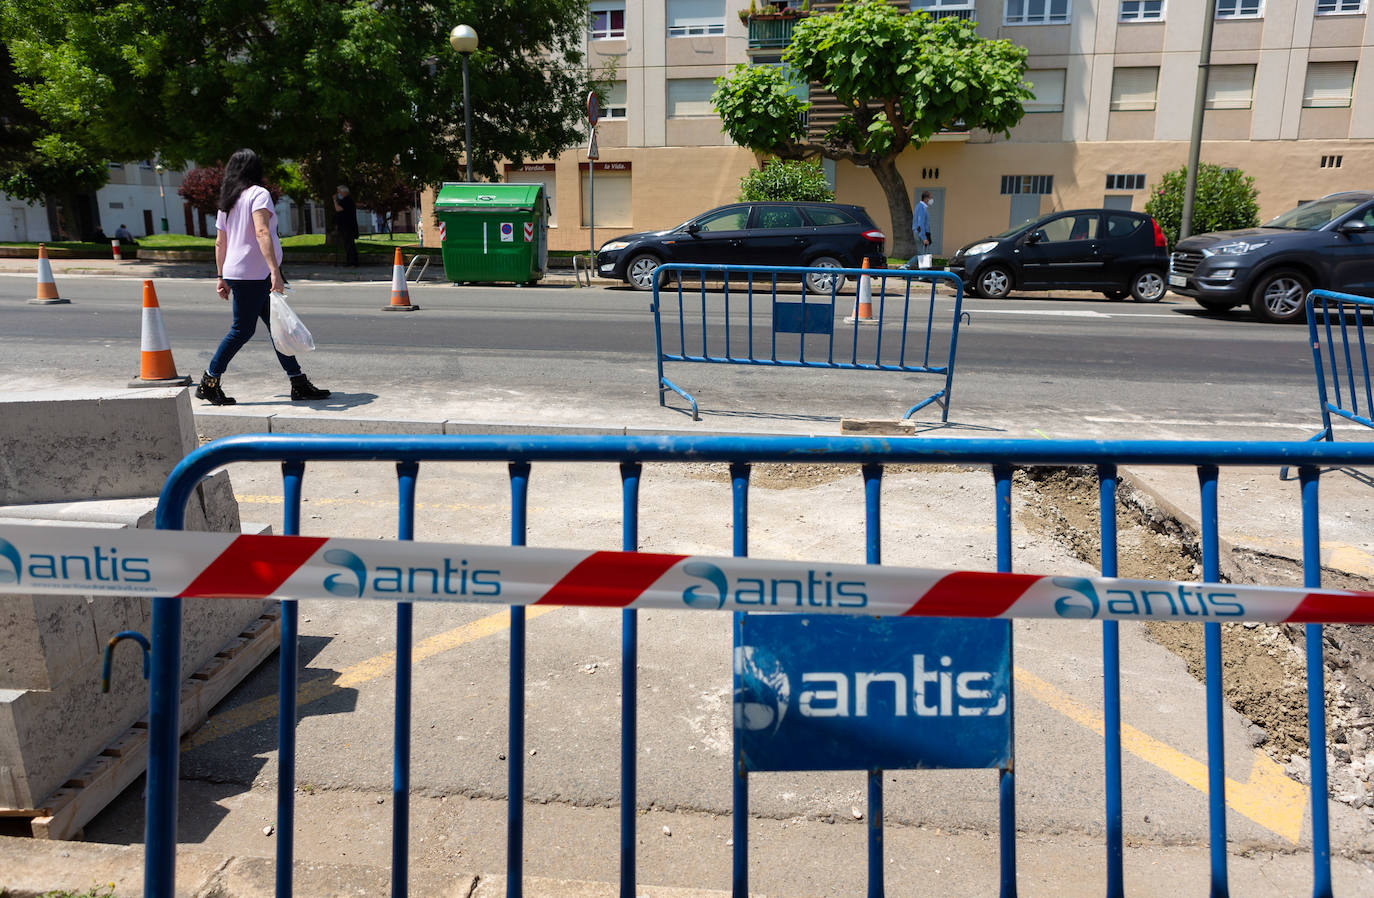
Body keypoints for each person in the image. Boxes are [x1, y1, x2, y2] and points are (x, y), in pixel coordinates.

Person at [197, 148, 329, 406]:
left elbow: (219, 242)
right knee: (242, 330)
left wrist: (221, 276)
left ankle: (298, 382)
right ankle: (209, 382)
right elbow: (261, 232)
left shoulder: (228, 200)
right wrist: (275, 272)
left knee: (276, 328)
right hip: (254, 275)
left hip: (238, 272)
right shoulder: (259, 194)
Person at [904, 190, 934, 269]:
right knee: (922, 254)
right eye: (931, 198)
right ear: (926, 199)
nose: (932, 200)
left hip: (921, 232)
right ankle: (906, 266)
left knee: (924, 254)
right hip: (921, 233)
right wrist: (923, 237)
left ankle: (923, 274)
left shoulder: (921, 207)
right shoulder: (921, 208)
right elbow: (920, 224)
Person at [333, 184, 359, 266]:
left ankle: (352, 262)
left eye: (339, 192)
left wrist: (334, 200)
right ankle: (351, 261)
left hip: (348, 226)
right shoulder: (345, 200)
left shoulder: (347, 201)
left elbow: (338, 209)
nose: (338, 194)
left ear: (344, 192)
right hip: (346, 225)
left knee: (349, 244)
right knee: (347, 244)